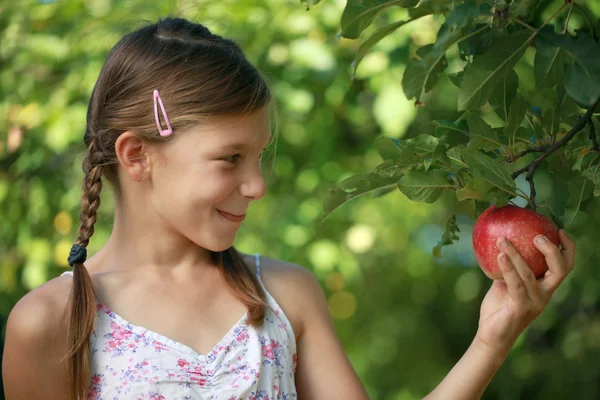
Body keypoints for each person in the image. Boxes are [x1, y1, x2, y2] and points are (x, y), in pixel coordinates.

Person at [1, 16, 576, 400]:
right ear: (137, 155)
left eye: (260, 158)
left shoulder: (284, 297)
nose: (256, 185)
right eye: (230, 159)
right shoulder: (53, 323)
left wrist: (493, 339)